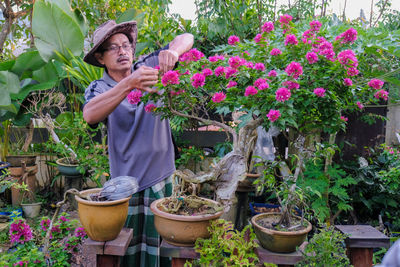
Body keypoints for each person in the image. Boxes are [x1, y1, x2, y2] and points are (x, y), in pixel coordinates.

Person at [82, 20, 194, 267]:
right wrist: (128, 85)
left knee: (163, 254)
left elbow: (187, 37)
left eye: (126, 45)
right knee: (127, 255)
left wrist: (173, 52)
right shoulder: (99, 88)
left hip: (162, 180)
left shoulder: (148, 67)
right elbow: (90, 115)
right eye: (113, 48)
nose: (122, 51)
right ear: (101, 58)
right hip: (124, 189)